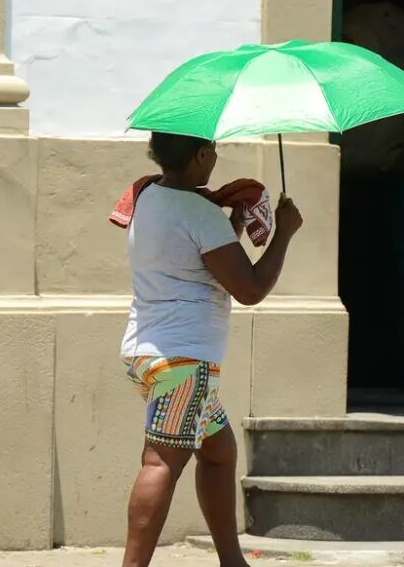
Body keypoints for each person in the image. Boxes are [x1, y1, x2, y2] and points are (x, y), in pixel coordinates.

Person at [119, 132, 304, 567]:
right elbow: (250, 288)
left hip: (149, 352)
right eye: (214, 150)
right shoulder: (199, 212)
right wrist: (285, 233)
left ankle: (232, 561)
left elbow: (197, 261)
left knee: (218, 450)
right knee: (162, 462)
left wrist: (231, 225)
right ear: (200, 154)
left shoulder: (147, 196)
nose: (217, 158)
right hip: (185, 359)